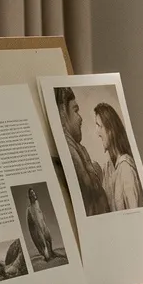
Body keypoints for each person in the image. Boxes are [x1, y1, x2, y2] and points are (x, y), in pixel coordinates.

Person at [55, 87, 110, 216]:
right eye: (75, 111)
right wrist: (97, 172)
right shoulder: (69, 148)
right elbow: (89, 191)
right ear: (63, 113)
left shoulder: (78, 148)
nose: (80, 118)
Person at [93, 101, 143, 211]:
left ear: (111, 130)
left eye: (99, 125)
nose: (97, 132)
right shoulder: (107, 169)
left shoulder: (126, 168)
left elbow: (135, 215)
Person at [25, 187, 55, 262]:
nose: (34, 194)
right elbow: (30, 224)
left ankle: (51, 252)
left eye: (34, 193)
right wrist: (36, 233)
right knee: (43, 244)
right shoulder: (29, 209)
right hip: (37, 230)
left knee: (49, 238)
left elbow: (40, 215)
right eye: (32, 193)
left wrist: (44, 224)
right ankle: (46, 256)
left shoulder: (37, 204)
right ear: (30, 196)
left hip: (43, 226)